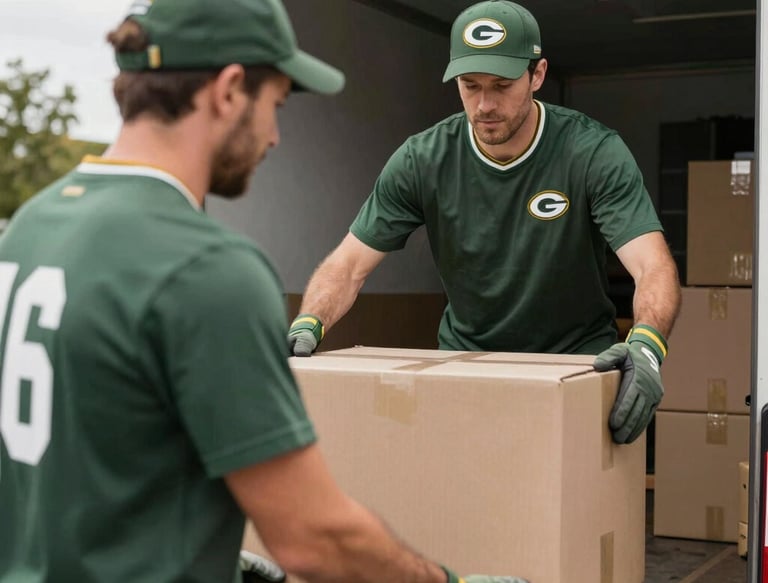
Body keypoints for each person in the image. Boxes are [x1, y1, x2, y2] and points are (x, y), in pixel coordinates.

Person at [0, 0, 528, 582]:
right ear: (228, 90)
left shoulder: (32, 227)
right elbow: (314, 539)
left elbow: (93, 445)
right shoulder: (207, 268)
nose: (275, 137)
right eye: (275, 105)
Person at [288, 0, 681, 446]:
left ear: (537, 74)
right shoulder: (423, 160)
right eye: (470, 85)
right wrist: (307, 324)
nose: (485, 105)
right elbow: (348, 265)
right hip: (467, 368)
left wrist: (648, 347)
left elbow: (653, 266)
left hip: (576, 369)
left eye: (502, 85)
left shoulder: (592, 153)